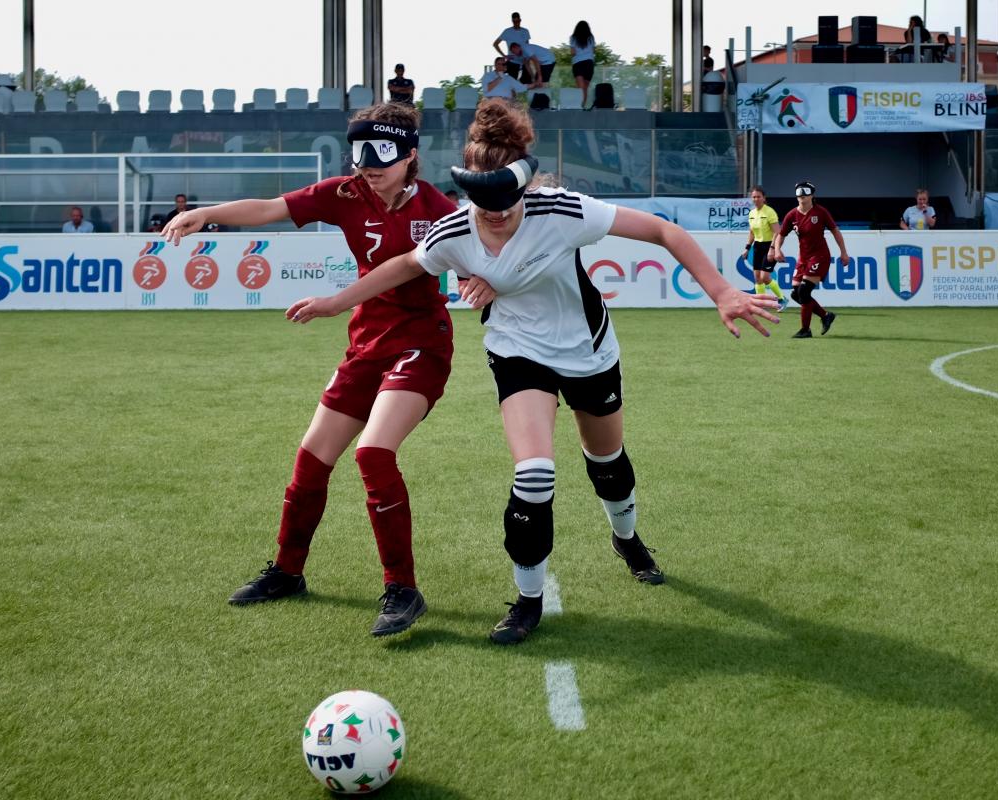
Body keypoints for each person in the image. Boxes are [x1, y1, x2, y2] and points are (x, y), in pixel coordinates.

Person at [286, 100, 780, 645]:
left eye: (508, 202)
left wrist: (723, 291)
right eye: (483, 203)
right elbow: (403, 266)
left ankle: (627, 536)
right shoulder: (453, 230)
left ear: (525, 187)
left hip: (588, 350)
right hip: (519, 351)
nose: (495, 214)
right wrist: (336, 303)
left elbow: (664, 232)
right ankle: (527, 599)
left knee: (607, 464)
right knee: (535, 473)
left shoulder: (564, 211)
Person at [161, 103, 488, 637]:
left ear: (411, 156)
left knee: (374, 452)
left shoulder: (438, 208)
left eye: (382, 153)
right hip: (366, 343)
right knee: (312, 459)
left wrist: (485, 281)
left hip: (421, 345)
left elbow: (480, 262)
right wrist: (208, 213)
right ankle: (288, 573)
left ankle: (403, 589)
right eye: (360, 152)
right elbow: (270, 208)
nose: (369, 164)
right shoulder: (343, 194)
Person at [771, 181, 850, 339]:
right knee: (796, 294)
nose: (801, 196)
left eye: (805, 193)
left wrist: (844, 253)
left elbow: (835, 231)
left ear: (812, 195)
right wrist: (777, 249)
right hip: (803, 258)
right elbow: (781, 234)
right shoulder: (792, 215)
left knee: (804, 291)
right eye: (799, 193)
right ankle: (825, 315)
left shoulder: (821, 212)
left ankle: (805, 330)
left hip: (819, 255)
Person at [744, 186, 786, 309]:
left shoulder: (769, 212)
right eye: (753, 197)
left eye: (758, 196)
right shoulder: (751, 213)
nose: (756, 199)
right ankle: (762, 304)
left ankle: (782, 299)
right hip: (757, 246)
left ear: (764, 198)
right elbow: (752, 232)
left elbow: (777, 232)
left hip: (769, 245)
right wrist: (747, 248)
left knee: (765, 277)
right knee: (757, 278)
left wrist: (772, 248)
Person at [493, 11, 531, 79]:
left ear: (520, 20)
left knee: (527, 83)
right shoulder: (507, 31)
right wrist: (504, 56)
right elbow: (495, 44)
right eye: (514, 22)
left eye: (517, 21)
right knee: (496, 75)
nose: (516, 23)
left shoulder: (525, 31)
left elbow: (528, 46)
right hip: (512, 62)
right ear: (512, 21)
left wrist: (528, 58)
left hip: (524, 62)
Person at [569, 21, 596, 105]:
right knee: (585, 88)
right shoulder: (591, 37)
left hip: (578, 63)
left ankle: (579, 106)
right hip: (589, 64)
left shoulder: (573, 37)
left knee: (580, 88)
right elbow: (593, 50)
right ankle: (582, 106)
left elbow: (573, 52)